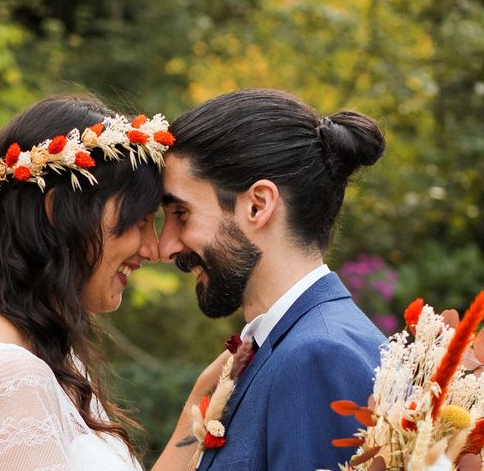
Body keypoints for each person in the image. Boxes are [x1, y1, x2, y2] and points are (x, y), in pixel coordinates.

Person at [0, 95, 223, 471]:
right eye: (138, 220)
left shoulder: (45, 360)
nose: (153, 249)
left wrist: (202, 404)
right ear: (58, 209)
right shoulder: (6, 376)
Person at [157, 88, 387, 470]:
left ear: (258, 205)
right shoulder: (282, 346)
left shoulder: (318, 357)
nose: (165, 247)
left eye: (181, 213)